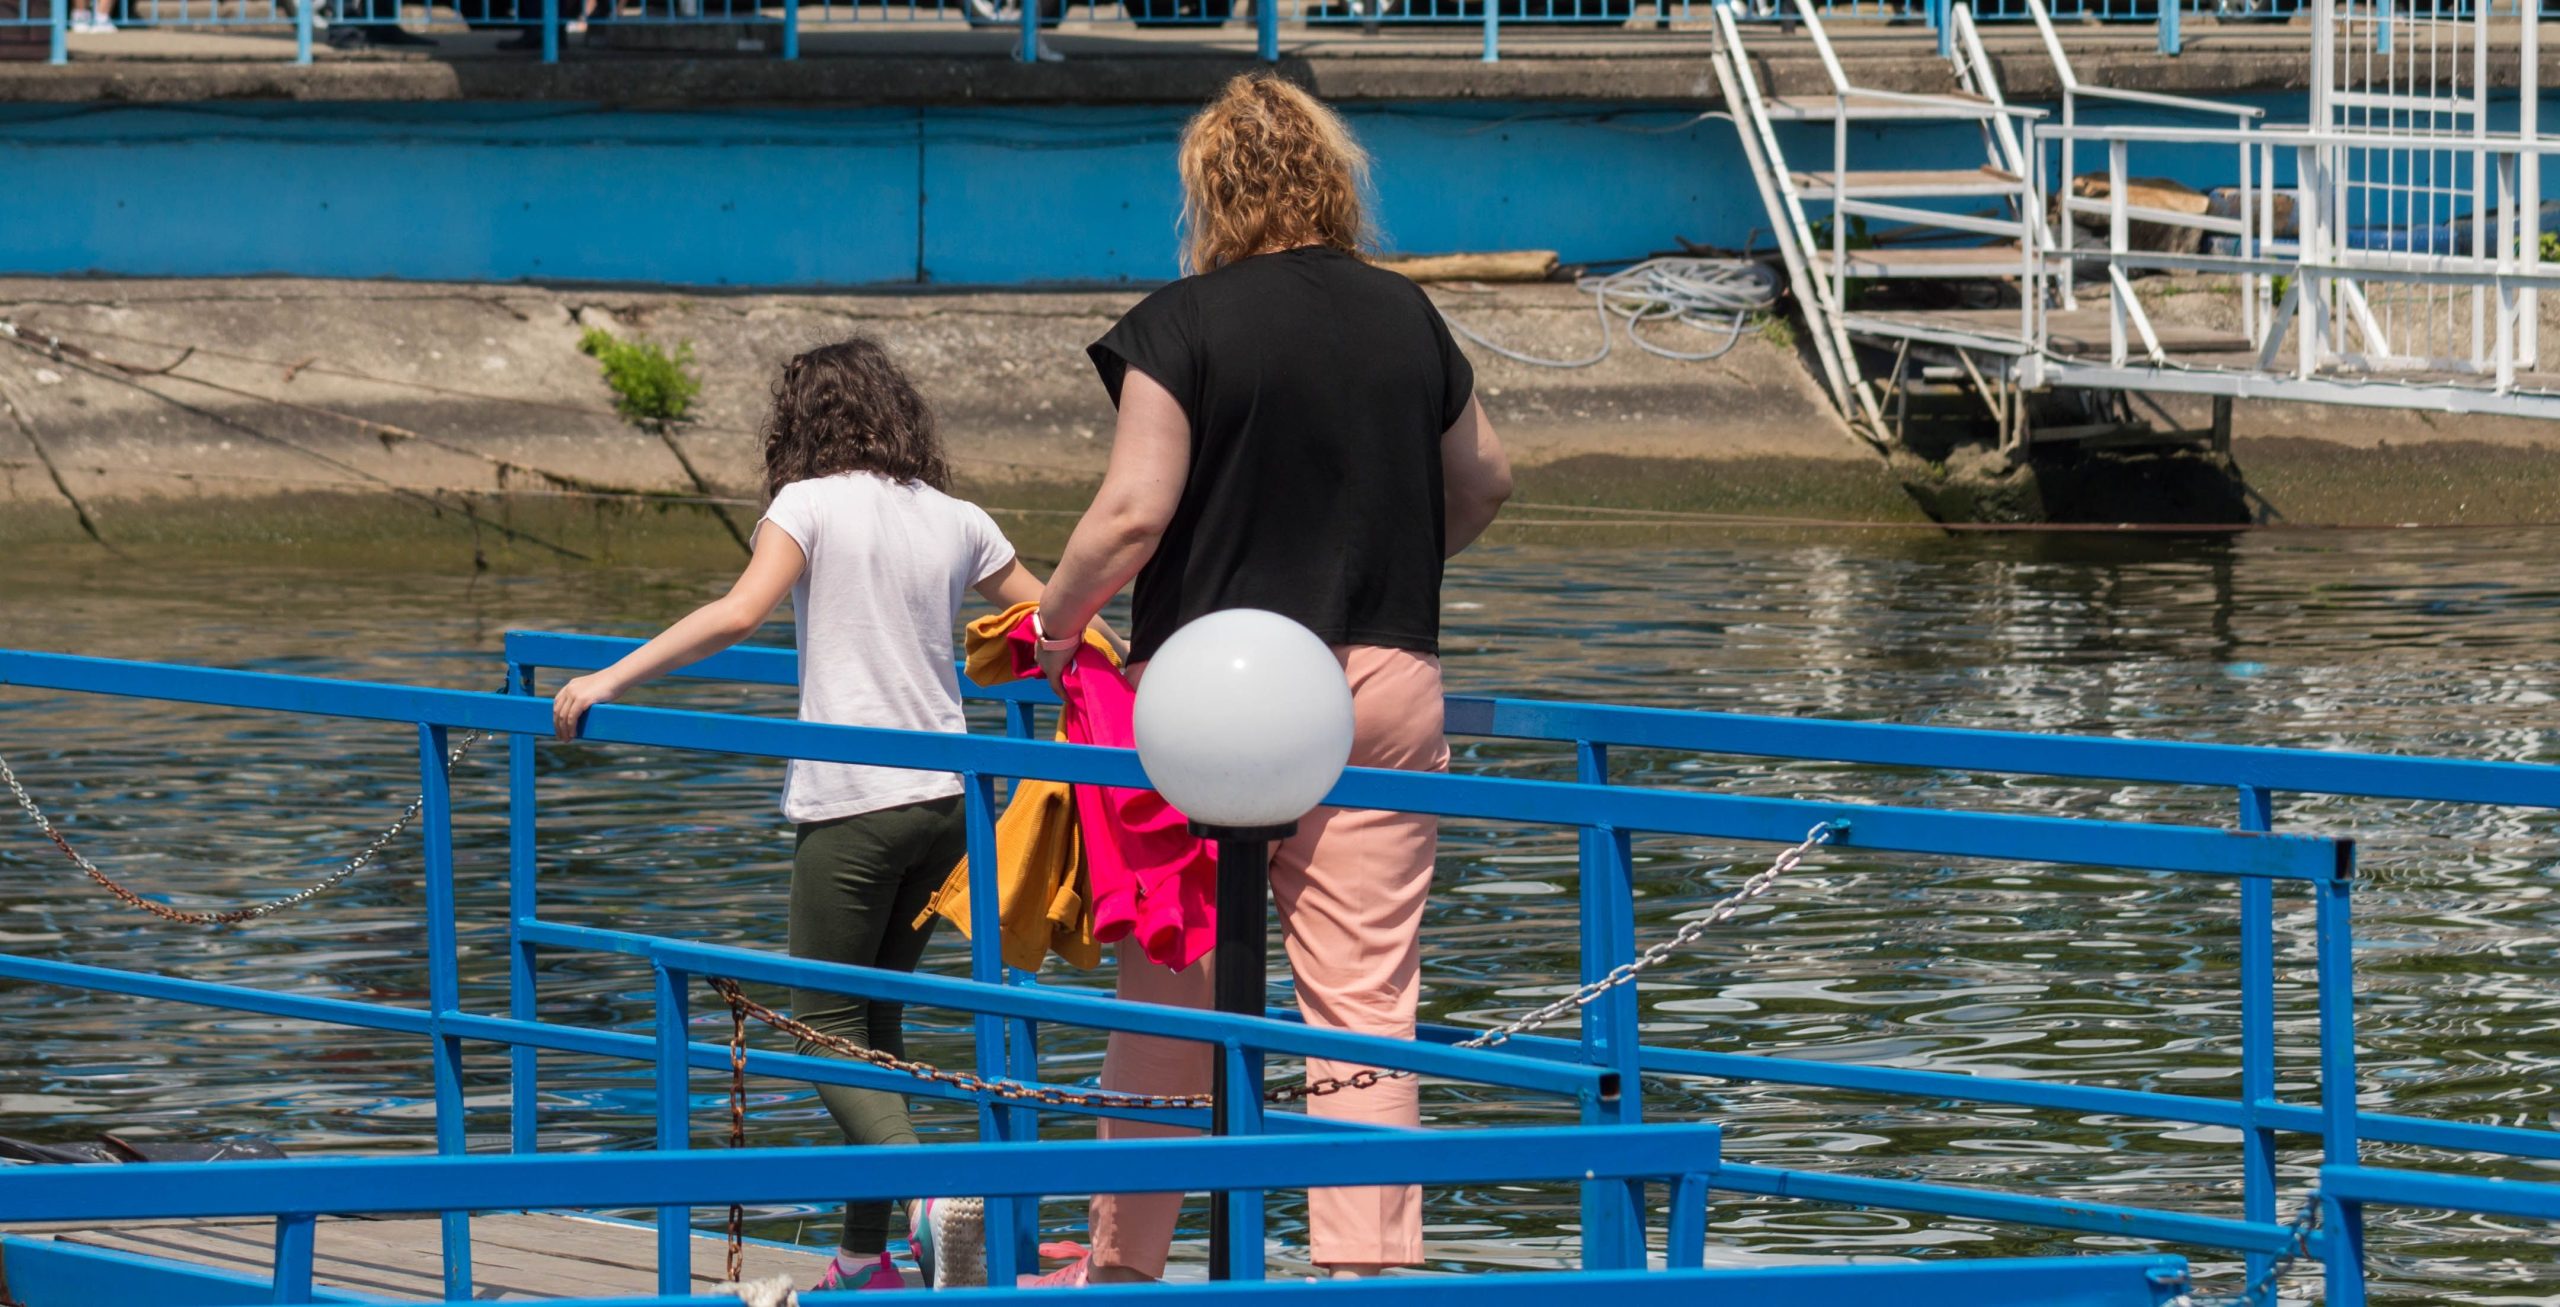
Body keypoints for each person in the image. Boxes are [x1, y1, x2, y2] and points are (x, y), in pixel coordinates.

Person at [1023, 73, 1513, 1285]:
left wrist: (1055, 618)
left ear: (1210, 192)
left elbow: (1133, 511)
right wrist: (1385, 566)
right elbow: (1486, 482)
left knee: (1170, 993)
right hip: (1383, 679)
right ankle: (1366, 1274)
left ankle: (1126, 1265)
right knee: (1363, 1000)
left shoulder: (1182, 322)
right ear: (1331, 179)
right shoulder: (1410, 319)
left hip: (1209, 701)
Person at [550, 337, 1063, 1293]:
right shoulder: (959, 516)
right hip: (951, 807)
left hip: (855, 806)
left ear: (804, 422)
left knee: (817, 1024)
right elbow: (1053, 617)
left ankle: (927, 1191)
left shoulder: (808, 502)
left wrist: (608, 677)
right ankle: (866, 1261)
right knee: (874, 1027)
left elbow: (742, 613)